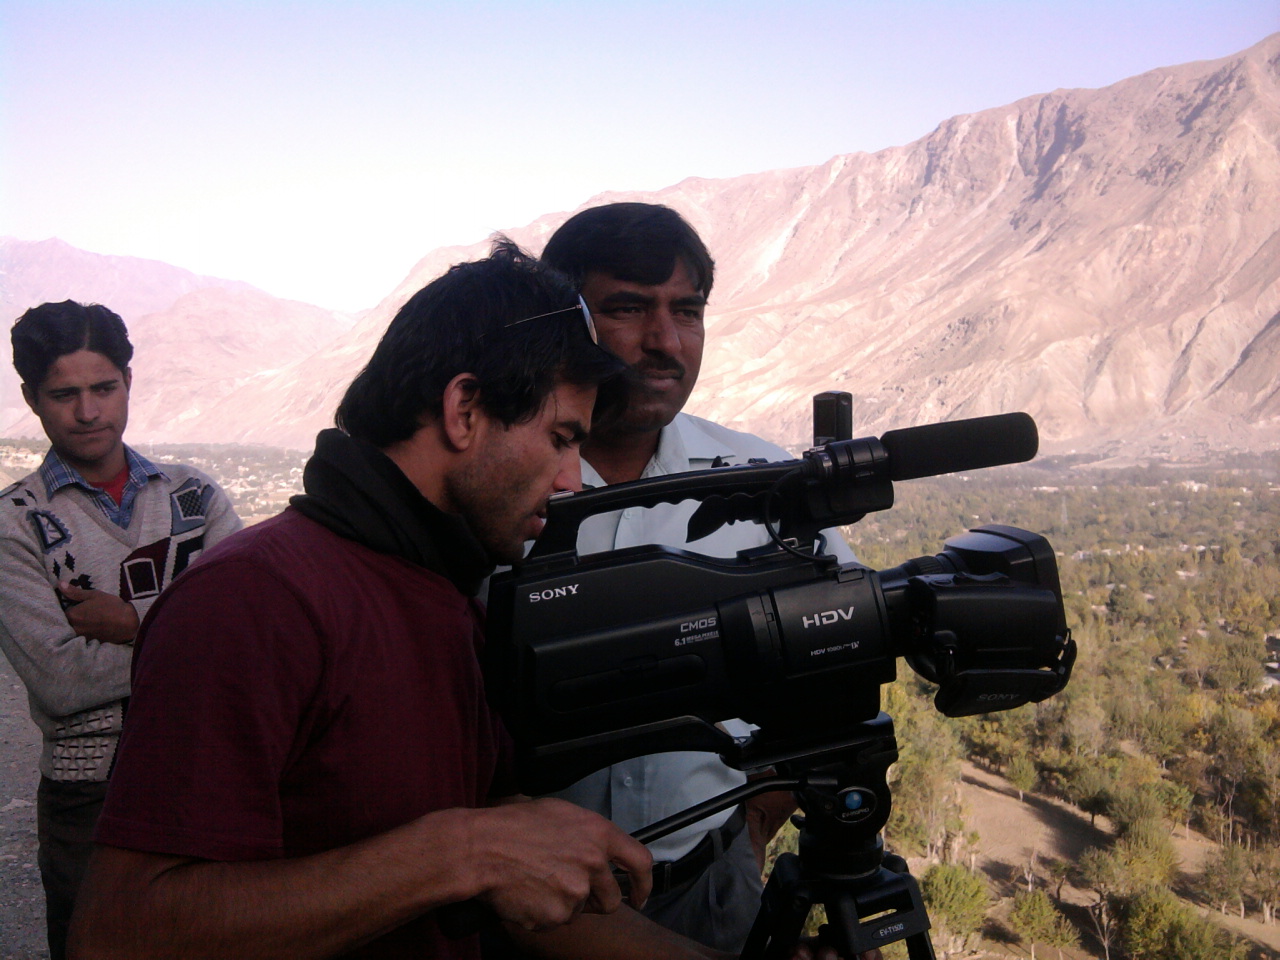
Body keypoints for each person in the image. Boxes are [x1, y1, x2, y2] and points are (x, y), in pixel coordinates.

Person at [65, 243, 732, 960]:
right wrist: (460, 852)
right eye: (561, 438)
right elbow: (119, 931)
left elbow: (496, 869)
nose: (573, 480)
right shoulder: (253, 599)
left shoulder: (445, 593)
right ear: (465, 410)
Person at [538, 203, 860, 953]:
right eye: (628, 308)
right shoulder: (500, 487)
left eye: (687, 311)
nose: (666, 341)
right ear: (563, 320)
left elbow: (843, 659)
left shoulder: (764, 480)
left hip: (715, 885)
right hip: (536, 912)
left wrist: (758, 819)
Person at [0, 300, 242, 960]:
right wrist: (187, 633)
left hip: (212, 772)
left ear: (129, 383)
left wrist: (133, 623)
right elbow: (63, 681)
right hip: (91, 797)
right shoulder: (16, 524)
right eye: (64, 395)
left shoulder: (195, 498)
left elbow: (248, 636)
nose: (88, 412)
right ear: (31, 398)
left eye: (104, 388)